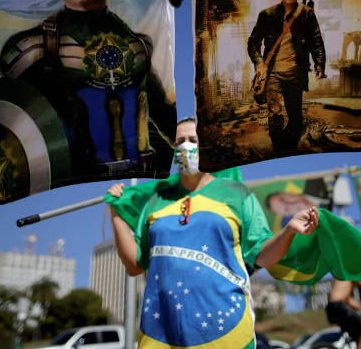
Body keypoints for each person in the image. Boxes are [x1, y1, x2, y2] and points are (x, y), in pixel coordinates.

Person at [107, 117, 319, 348]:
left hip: (227, 333)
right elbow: (134, 265)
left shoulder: (237, 195)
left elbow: (261, 255)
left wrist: (288, 231)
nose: (186, 147)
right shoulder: (156, 201)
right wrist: (116, 211)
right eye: (179, 142)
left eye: (193, 140)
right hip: (162, 334)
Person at [0, 0, 175, 176]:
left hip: (142, 177)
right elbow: (13, 131)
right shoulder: (30, 51)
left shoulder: (138, 47)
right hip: (68, 185)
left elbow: (161, 112)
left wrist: (186, 156)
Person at [247, 0, 326, 152]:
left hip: (295, 73)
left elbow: (316, 41)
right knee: (274, 115)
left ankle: (288, 149)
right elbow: (253, 42)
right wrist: (259, 62)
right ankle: (278, 149)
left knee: (295, 118)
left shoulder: (307, 14)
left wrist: (320, 65)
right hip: (272, 73)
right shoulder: (267, 15)